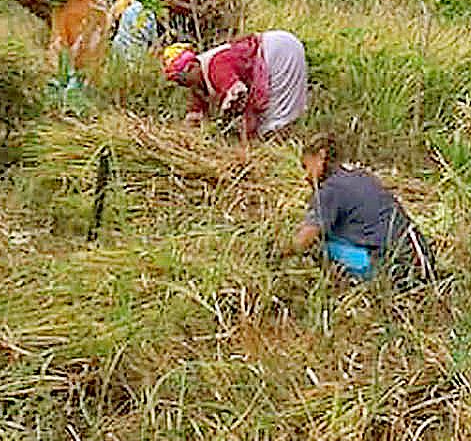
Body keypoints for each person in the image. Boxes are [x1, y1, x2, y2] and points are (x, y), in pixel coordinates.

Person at [281, 134, 436, 283]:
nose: (306, 176)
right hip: (422, 261)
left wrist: (277, 253)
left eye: (306, 166)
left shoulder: (329, 191)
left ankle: (347, 290)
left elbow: (304, 240)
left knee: (317, 247)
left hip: (395, 269)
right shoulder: (361, 176)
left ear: (321, 156)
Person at [165, 29, 310, 138]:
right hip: (278, 46)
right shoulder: (199, 79)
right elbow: (197, 108)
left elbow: (239, 95)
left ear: (191, 67)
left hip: (279, 53)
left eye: (181, 80)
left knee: (274, 122)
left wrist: (224, 125)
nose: (182, 85)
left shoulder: (216, 66)